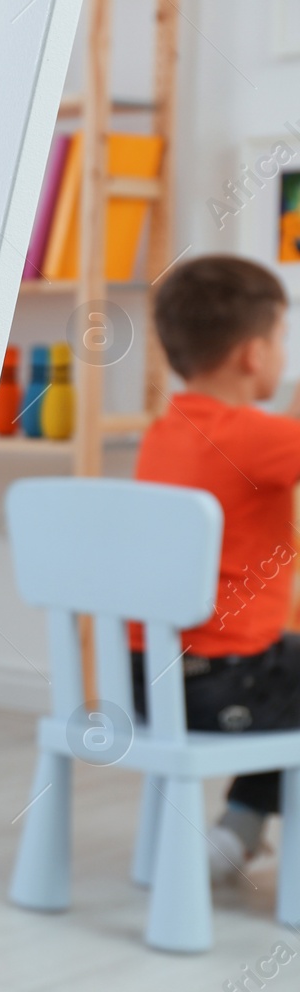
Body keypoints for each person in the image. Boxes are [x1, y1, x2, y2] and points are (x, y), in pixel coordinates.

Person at [131, 253, 300, 879]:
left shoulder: (166, 431)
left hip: (150, 678)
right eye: (282, 338)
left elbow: (267, 445)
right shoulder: (260, 438)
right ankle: (241, 831)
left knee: (292, 665)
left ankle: (240, 831)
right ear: (253, 355)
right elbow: (275, 444)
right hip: (225, 683)